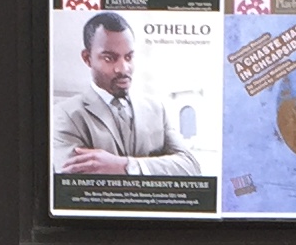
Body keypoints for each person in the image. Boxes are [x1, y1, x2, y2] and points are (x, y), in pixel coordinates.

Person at [53, 12, 199, 177]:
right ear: (87, 58)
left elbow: (190, 167)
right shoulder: (65, 115)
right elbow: (71, 184)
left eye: (129, 57)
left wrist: (125, 166)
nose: (123, 69)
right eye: (109, 58)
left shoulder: (157, 109)